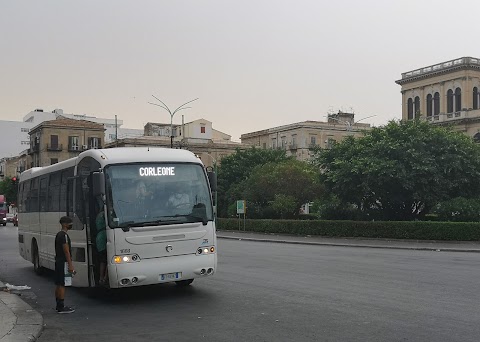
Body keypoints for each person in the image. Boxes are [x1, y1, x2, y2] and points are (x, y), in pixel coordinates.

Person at [54, 216, 75, 314]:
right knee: (62, 284)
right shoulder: (64, 236)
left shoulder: (58, 234)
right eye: (69, 223)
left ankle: (58, 305)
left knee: (58, 283)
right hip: (63, 262)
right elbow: (66, 251)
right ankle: (61, 307)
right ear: (64, 224)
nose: (71, 225)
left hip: (58, 261)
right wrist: (70, 265)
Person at [95, 210, 108, 285]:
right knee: (109, 260)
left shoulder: (98, 215)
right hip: (104, 238)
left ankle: (101, 278)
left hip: (99, 239)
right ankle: (105, 278)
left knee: (102, 261)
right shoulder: (105, 214)